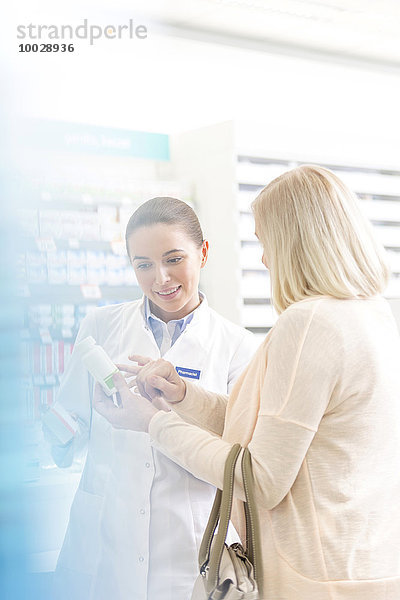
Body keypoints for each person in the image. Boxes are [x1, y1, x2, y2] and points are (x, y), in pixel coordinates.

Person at [95, 166, 400, 600]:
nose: (263, 258)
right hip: (363, 566)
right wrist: (184, 396)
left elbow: (260, 478)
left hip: (312, 579)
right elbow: (272, 426)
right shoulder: (370, 313)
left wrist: (152, 423)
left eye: (264, 241)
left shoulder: (309, 323)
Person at [46, 197, 256, 600]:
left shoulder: (237, 347)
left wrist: (167, 412)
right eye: (143, 264)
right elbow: (67, 430)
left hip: (187, 548)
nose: (160, 278)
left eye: (174, 259)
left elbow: (237, 460)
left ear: (203, 253)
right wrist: (59, 431)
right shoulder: (100, 326)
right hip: (104, 542)